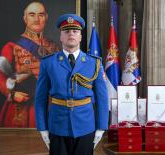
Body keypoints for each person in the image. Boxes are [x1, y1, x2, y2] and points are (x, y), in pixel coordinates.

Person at [35, 13, 109, 155]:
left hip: (86, 125)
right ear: (61, 36)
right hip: (57, 126)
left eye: (75, 31)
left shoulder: (95, 63)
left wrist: (101, 126)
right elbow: (40, 98)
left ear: (81, 36)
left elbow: (102, 98)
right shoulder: (48, 63)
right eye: (66, 31)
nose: (71, 34)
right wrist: (42, 127)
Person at [0, 1, 59, 127]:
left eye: (41, 15)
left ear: (46, 18)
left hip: (48, 104)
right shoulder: (12, 46)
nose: (36, 19)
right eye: (32, 14)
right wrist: (12, 94)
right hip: (21, 106)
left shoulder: (54, 47)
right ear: (25, 18)